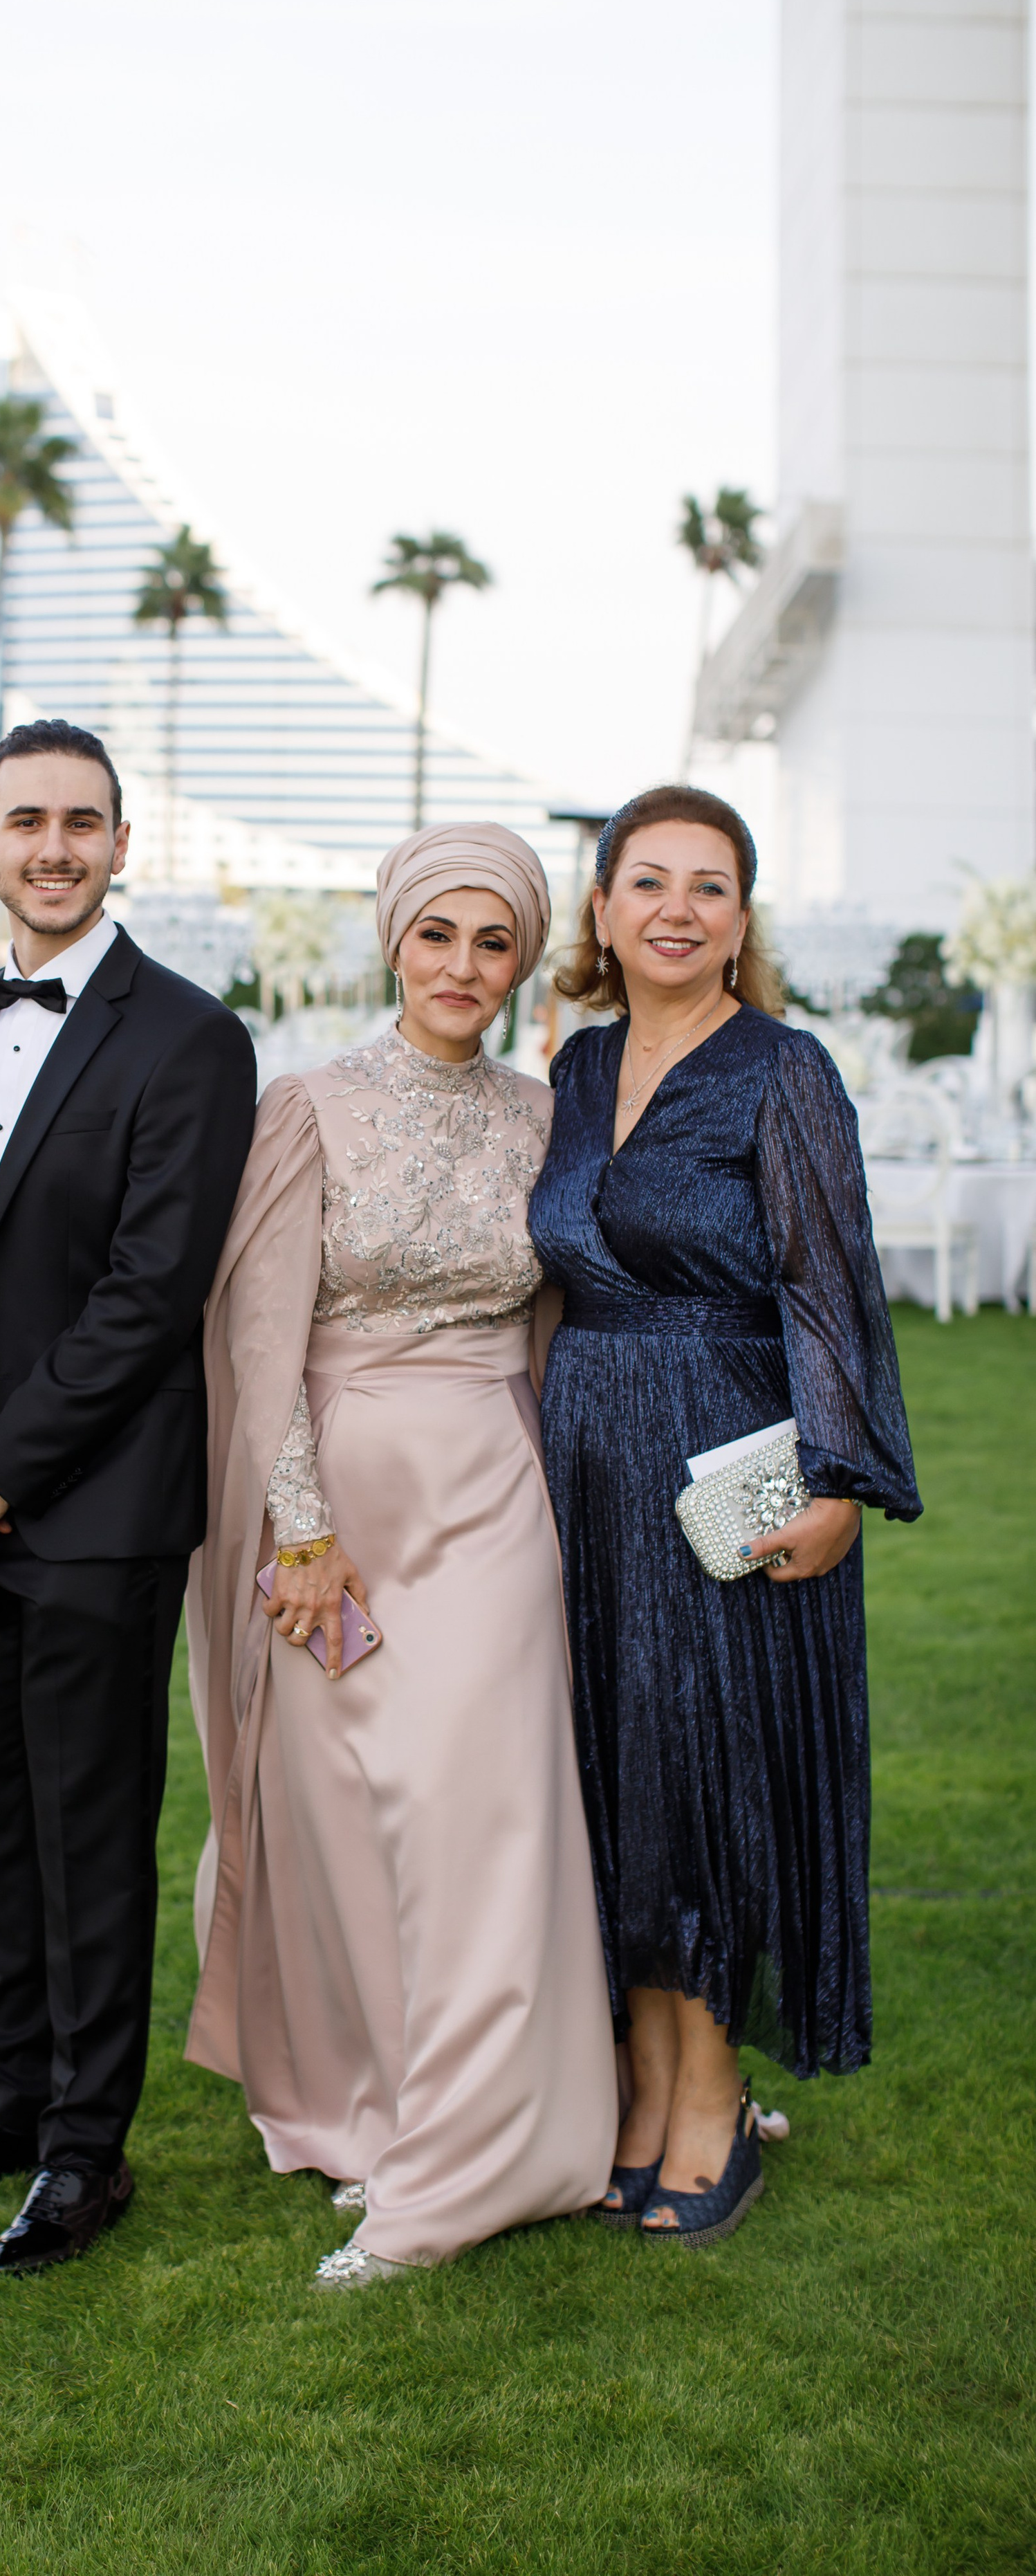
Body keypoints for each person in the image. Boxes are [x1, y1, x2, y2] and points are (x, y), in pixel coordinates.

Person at [187, 824, 617, 2290]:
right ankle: (380, 2117)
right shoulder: (305, 1104)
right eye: (436, 936)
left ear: (520, 962)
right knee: (343, 1824)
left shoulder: (544, 1113)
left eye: (491, 943)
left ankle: (465, 2165)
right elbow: (260, 1333)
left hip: (492, 1495)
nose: (461, 968)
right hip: (333, 1511)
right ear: (391, 942)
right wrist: (295, 1532)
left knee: (471, 1817)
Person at [0, 718, 257, 2274]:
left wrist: (4, 1470)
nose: (51, 845)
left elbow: (150, 1291)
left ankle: (91, 2155)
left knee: (88, 1829)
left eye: (79, 822)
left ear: (118, 845)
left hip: (89, 1502)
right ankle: (13, 2103)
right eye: (22, 819)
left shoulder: (189, 1037)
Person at [528, 786, 921, 2247]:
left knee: (701, 1779)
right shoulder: (570, 1070)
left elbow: (829, 1285)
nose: (675, 909)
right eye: (647, 882)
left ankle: (709, 2099)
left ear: (739, 921)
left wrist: (838, 1485)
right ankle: (637, 2090)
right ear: (604, 909)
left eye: (707, 886)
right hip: (582, 1466)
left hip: (729, 1463)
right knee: (610, 1774)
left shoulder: (782, 1070)